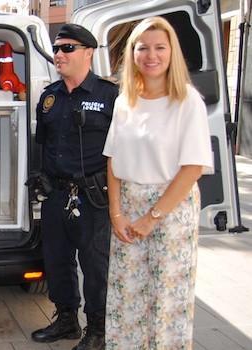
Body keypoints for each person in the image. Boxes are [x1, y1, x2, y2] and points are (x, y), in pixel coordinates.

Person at [103, 16, 213, 349]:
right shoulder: (125, 101)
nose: (151, 55)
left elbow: (193, 167)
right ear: (132, 53)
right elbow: (113, 161)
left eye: (160, 47)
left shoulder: (187, 101)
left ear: (172, 53)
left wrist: (152, 218)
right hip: (128, 210)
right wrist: (117, 214)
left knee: (166, 300)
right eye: (143, 47)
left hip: (171, 211)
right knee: (127, 297)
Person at [32, 24, 118, 350]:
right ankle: (66, 320)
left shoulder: (109, 97)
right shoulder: (49, 97)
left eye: (67, 48)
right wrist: (40, 177)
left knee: (95, 267)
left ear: (88, 52)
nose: (58, 54)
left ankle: (97, 331)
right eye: (56, 48)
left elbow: (121, 152)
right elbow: (43, 144)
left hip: (94, 197)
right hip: (56, 193)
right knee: (56, 260)